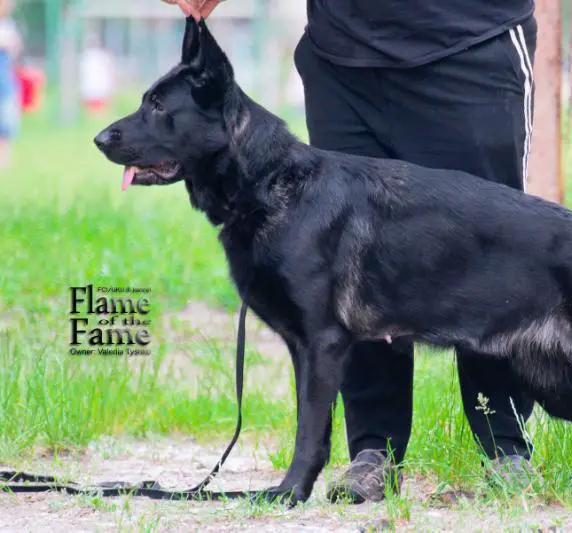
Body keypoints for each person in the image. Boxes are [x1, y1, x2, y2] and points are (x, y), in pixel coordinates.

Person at [167, 0, 538, 504]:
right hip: (344, 58)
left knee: (486, 249)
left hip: (467, 45)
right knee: (344, 262)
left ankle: (505, 449)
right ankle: (373, 451)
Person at [0, 0, 21, 169]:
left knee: (6, 127)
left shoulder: (8, 25)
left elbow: (15, 48)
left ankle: (4, 163)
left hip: (5, 85)